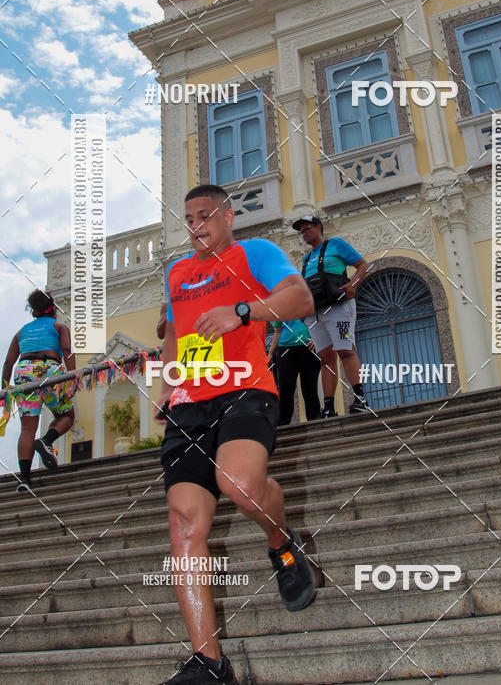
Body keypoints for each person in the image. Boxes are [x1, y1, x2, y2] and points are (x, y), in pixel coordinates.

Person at [155, 184, 316, 685]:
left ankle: (281, 541)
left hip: (246, 390)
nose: (196, 225)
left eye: (204, 215)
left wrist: (242, 312)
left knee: (241, 486)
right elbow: (176, 334)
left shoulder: (256, 252)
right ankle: (210, 664)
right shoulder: (176, 273)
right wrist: (167, 382)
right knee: (185, 523)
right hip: (190, 404)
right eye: (188, 218)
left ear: (227, 215)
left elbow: (301, 298)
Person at [292, 214, 369, 418]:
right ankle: (328, 407)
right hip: (316, 314)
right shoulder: (307, 258)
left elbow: (363, 265)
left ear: (318, 227)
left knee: (345, 350)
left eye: (307, 228)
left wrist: (353, 284)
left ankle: (360, 398)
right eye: (301, 232)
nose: (304, 234)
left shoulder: (336, 245)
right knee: (325, 358)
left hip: (339, 308)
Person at [1, 290, 76, 492]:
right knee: (67, 415)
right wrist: (73, 376)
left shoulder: (22, 331)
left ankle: (24, 479)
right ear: (52, 308)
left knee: (27, 428)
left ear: (34, 311)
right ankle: (46, 440)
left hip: (23, 372)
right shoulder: (59, 326)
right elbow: (67, 350)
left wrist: (5, 389)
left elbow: (8, 362)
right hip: (49, 370)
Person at [267, 319, 321, 425]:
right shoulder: (280, 308)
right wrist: (270, 354)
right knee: (285, 388)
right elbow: (278, 331)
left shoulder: (307, 303)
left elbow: (319, 321)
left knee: (309, 387)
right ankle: (283, 424)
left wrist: (317, 339)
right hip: (285, 349)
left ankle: (314, 420)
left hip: (307, 347)